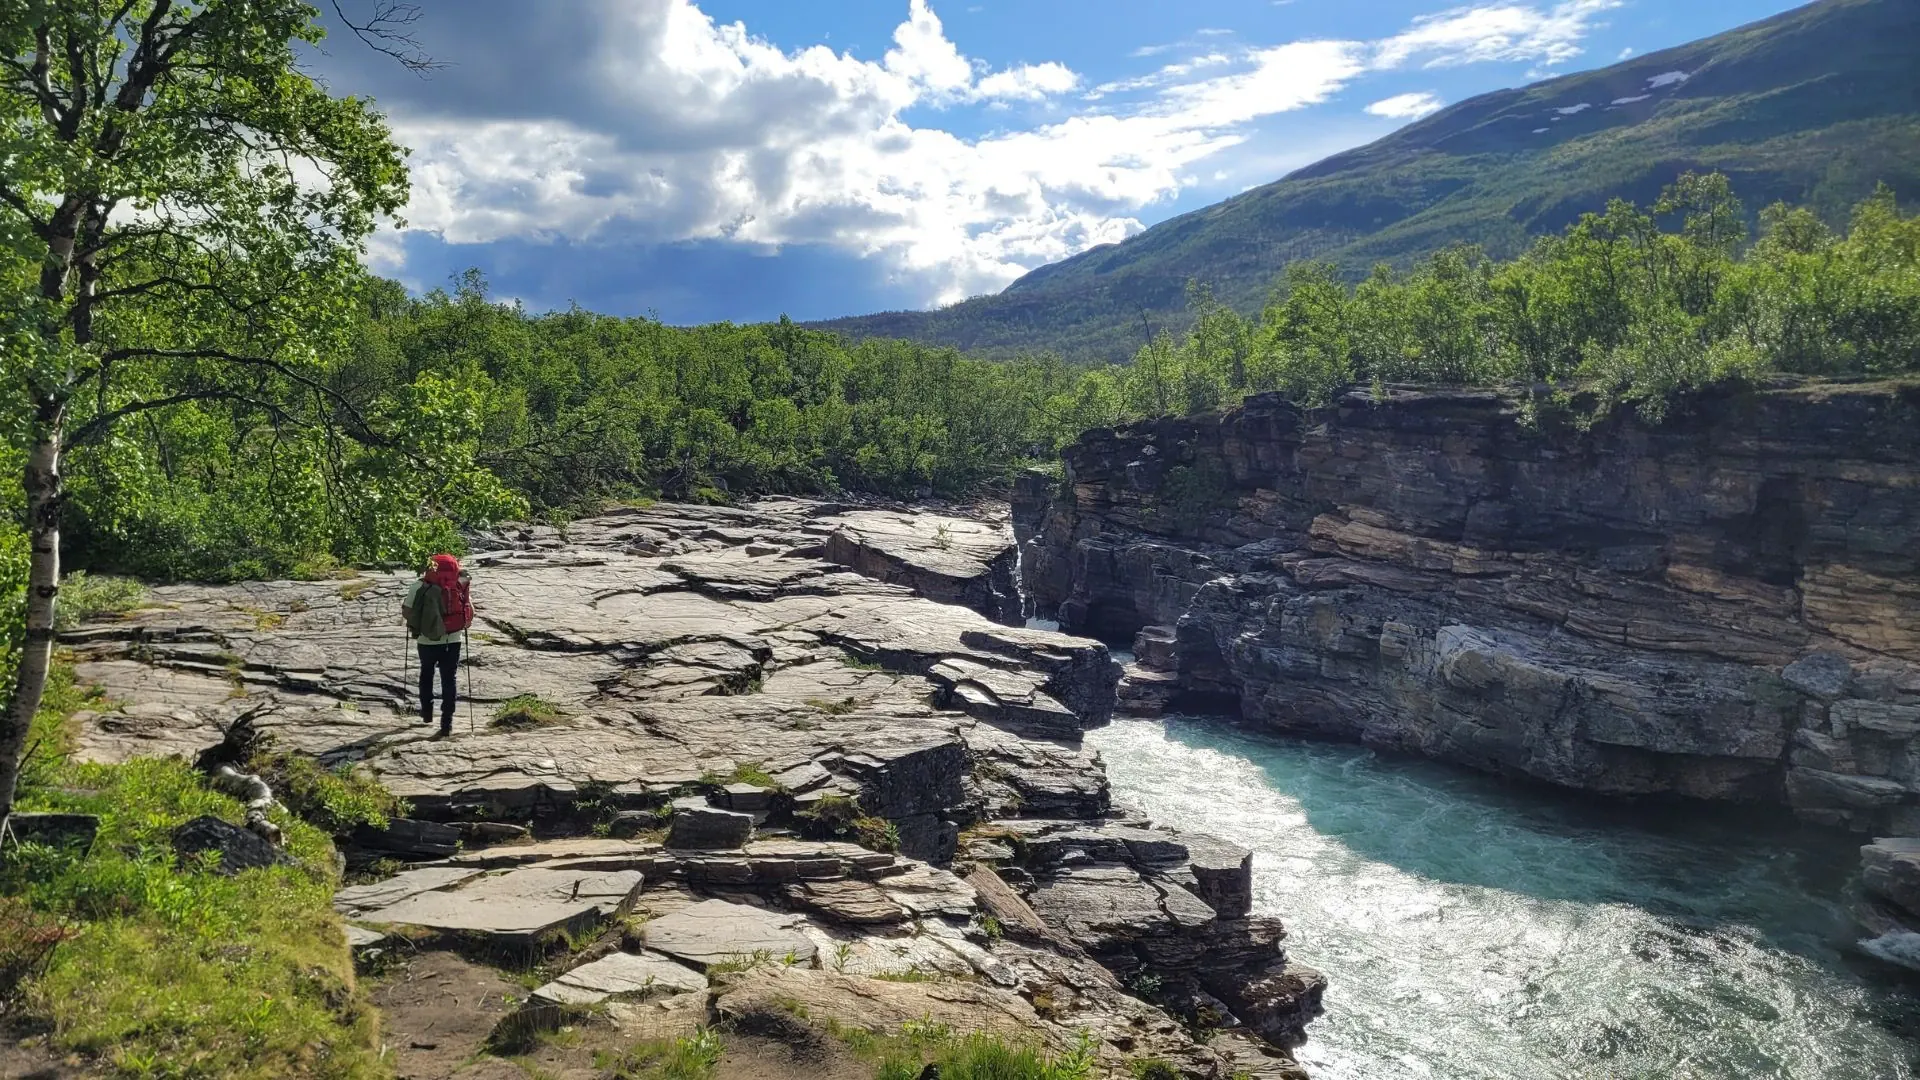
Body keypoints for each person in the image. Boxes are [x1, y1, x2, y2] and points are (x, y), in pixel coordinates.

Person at [402, 553, 473, 737]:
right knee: (449, 679)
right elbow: (470, 614)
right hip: (453, 639)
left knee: (426, 674)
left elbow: (407, 611)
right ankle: (446, 724)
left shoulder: (419, 586)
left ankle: (427, 713)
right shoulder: (459, 584)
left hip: (426, 640)